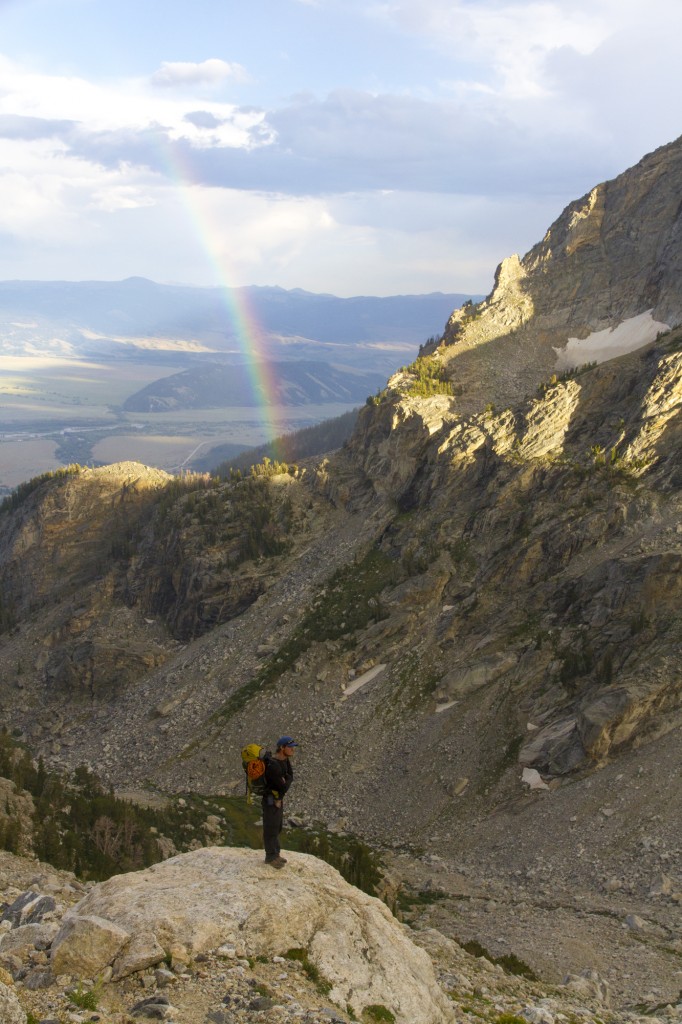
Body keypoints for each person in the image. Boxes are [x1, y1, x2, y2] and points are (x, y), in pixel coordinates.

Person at [262, 735, 297, 868]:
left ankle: (276, 854)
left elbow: (289, 778)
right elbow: (282, 786)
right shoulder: (273, 764)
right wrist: (285, 781)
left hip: (278, 799)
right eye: (290, 747)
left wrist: (285, 780)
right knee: (271, 826)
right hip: (271, 800)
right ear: (282, 748)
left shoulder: (285, 761)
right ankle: (270, 857)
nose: (293, 750)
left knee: (277, 826)